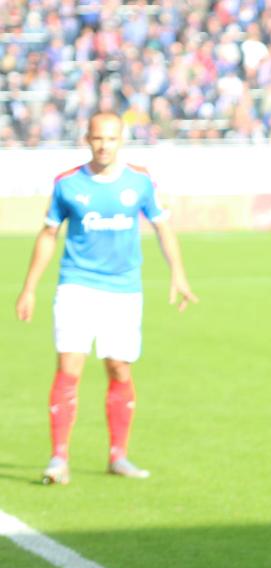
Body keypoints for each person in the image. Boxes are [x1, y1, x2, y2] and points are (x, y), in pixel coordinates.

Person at [14, 111, 197, 485]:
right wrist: (30, 287)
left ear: (121, 140)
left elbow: (162, 226)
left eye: (111, 139)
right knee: (69, 368)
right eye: (98, 138)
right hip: (76, 285)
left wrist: (178, 274)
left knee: (119, 368)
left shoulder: (140, 181)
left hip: (124, 290)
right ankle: (58, 458)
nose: (104, 145)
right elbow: (48, 234)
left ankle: (118, 456)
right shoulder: (67, 184)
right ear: (87, 138)